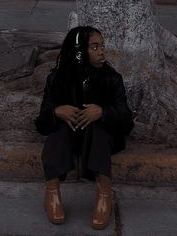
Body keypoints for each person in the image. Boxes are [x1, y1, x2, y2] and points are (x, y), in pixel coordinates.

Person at [35, 26, 134, 230]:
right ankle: (52, 192)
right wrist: (56, 112)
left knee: (98, 129)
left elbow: (126, 120)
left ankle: (104, 192)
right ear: (79, 52)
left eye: (102, 46)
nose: (101, 51)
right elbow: (41, 123)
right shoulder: (57, 79)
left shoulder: (111, 78)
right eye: (94, 47)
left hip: (98, 139)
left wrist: (102, 112)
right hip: (69, 137)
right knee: (58, 130)